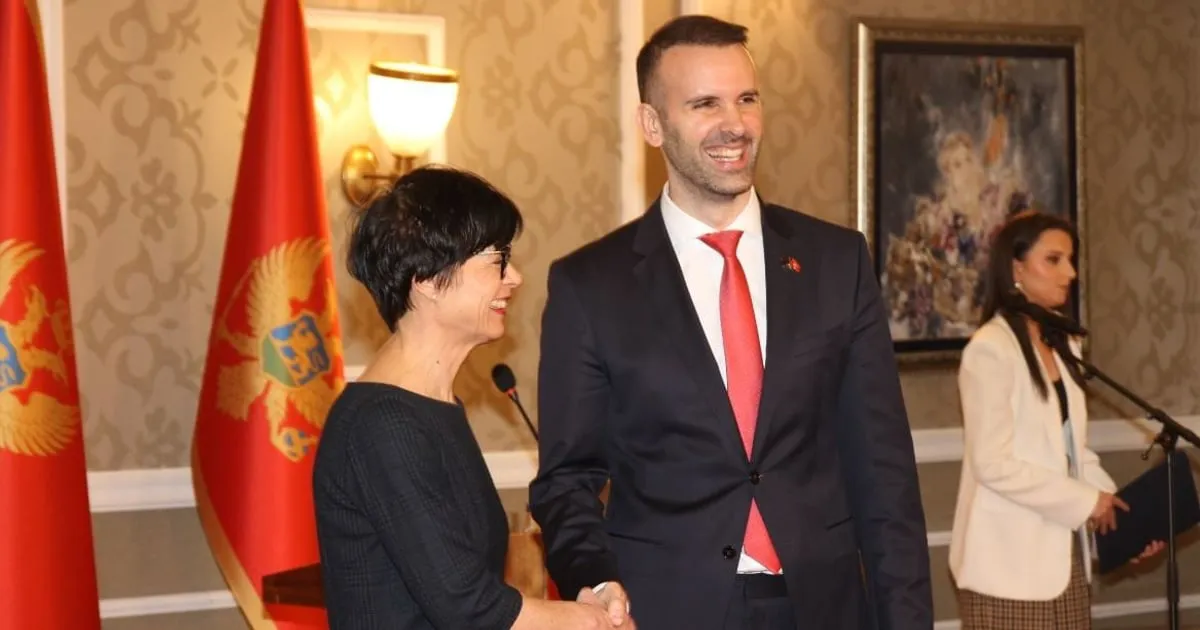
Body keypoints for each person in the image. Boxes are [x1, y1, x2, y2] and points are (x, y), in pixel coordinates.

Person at [529, 14, 932, 630]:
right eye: (705, 104)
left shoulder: (837, 262)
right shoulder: (590, 286)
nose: (735, 124)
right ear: (652, 124)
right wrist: (597, 580)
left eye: (747, 99)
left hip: (822, 606)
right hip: (665, 611)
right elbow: (566, 481)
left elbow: (885, 473)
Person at [313, 165, 622, 629]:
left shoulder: (431, 407)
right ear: (426, 278)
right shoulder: (380, 423)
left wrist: (589, 596)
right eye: (497, 260)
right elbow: (468, 606)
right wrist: (590, 621)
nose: (515, 277)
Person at [949, 210, 1164, 629]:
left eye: (1070, 259)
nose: (1070, 273)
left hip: (1065, 562)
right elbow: (992, 463)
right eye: (1054, 260)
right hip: (1006, 570)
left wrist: (1123, 523)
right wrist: (1088, 502)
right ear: (1016, 268)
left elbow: (1072, 451)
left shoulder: (1063, 343)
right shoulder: (990, 349)